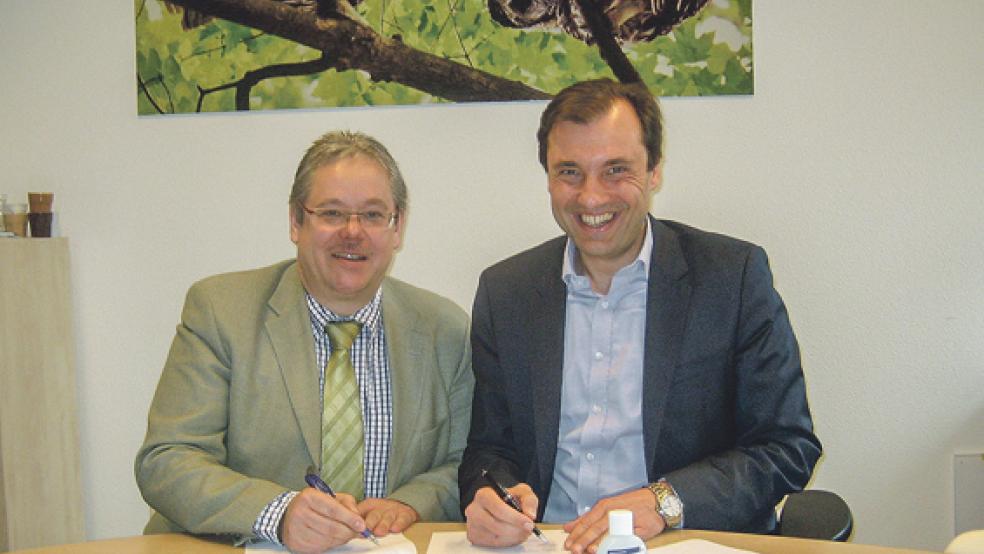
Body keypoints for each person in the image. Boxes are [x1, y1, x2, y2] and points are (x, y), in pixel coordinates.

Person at [459, 79, 822, 553]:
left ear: (654, 171)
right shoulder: (505, 291)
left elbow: (787, 446)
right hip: (551, 544)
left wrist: (664, 502)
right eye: (569, 172)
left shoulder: (731, 278)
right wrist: (491, 495)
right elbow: (490, 449)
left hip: (685, 540)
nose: (591, 198)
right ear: (547, 176)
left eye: (615, 170)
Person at [135, 131, 473, 553]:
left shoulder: (445, 329)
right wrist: (280, 513)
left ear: (397, 227)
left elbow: (464, 461)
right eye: (332, 213)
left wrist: (410, 502)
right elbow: (168, 459)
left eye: (372, 215)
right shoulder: (221, 311)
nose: (353, 232)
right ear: (296, 221)